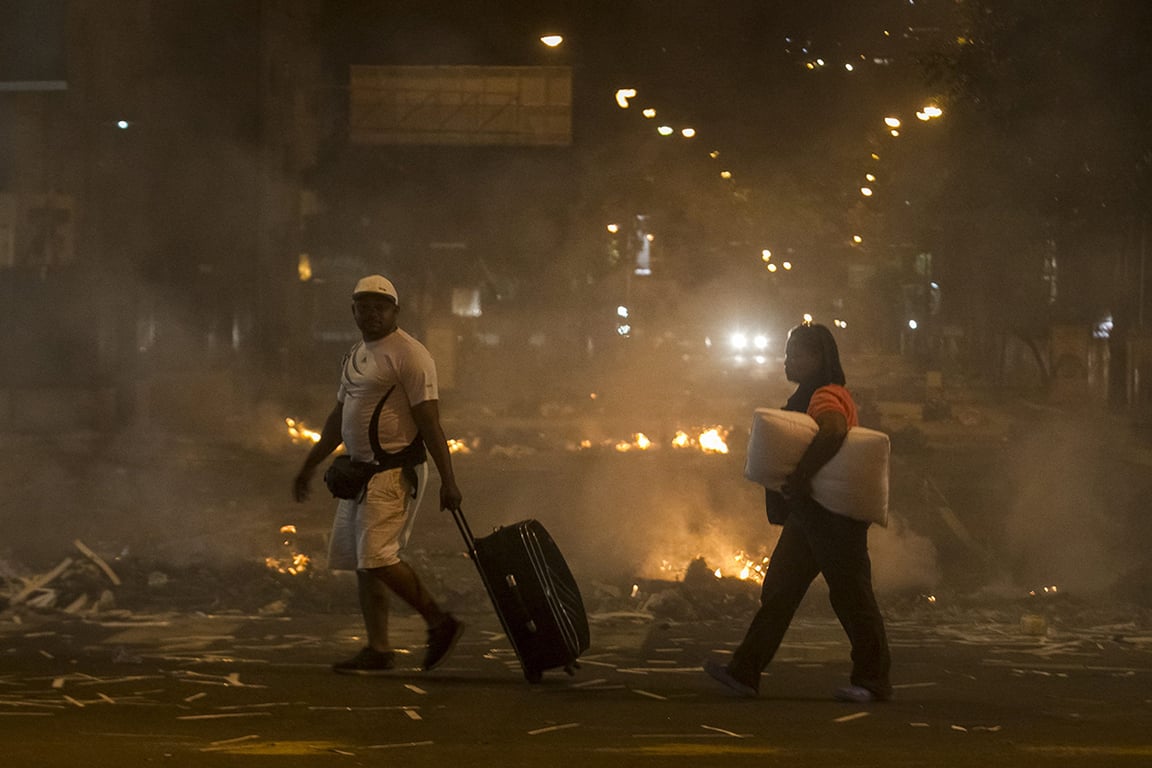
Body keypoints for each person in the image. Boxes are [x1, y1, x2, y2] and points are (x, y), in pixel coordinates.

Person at [704, 322, 892, 702]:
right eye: (787, 353)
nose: (786, 361)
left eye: (795, 354)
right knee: (780, 592)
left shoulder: (825, 396)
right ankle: (744, 671)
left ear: (818, 358)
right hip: (810, 517)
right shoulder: (819, 394)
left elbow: (834, 431)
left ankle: (873, 681)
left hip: (831, 518)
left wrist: (801, 476)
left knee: (851, 595)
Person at [293, 274, 465, 675]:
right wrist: (309, 464)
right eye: (363, 306)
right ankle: (379, 648)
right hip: (359, 473)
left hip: (394, 473)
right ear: (353, 310)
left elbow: (430, 423)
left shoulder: (410, 355)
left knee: (379, 559)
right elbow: (338, 419)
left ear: (395, 311)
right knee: (363, 561)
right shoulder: (356, 354)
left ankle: (441, 622)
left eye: (380, 306)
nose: (371, 313)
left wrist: (449, 481)